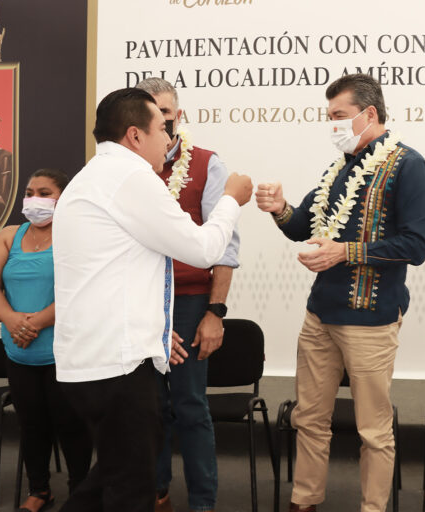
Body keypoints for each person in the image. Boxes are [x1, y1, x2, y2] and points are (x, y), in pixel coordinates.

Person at [52, 88, 253, 512]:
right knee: (130, 491)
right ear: (134, 136)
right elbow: (201, 248)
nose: (169, 138)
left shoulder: (93, 175)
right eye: (162, 128)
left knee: (107, 480)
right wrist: (232, 200)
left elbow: (120, 274)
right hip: (117, 369)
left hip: (96, 359)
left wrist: (156, 333)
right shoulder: (130, 178)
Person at [256, 73, 425, 512]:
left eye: (339, 116)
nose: (332, 125)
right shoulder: (340, 167)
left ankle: (373, 508)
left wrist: (345, 253)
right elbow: (305, 226)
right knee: (309, 419)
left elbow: (416, 246)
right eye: (329, 116)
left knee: (373, 429)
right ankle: (304, 501)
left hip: (370, 321)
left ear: (368, 114)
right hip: (320, 316)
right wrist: (280, 208)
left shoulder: (409, 166)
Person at [135, 77, 240, 512]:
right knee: (148, 406)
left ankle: (202, 503)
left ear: (179, 114)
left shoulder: (206, 163)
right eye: (155, 115)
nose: (165, 122)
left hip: (190, 301)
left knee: (190, 406)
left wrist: (215, 312)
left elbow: (225, 245)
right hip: (138, 302)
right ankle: (156, 493)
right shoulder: (131, 167)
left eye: (170, 113)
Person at [0, 169, 92, 512]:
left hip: (62, 353)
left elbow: (79, 291)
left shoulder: (74, 236)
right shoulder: (9, 235)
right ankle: (39, 491)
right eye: (29, 191)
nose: (34, 199)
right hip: (18, 350)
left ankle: (80, 492)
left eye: (44, 192)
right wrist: (9, 319)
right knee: (30, 425)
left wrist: (33, 322)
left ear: (62, 198)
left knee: (71, 426)